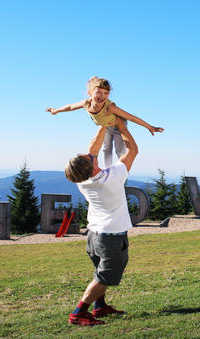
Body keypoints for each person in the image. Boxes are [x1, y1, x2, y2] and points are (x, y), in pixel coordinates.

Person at [65, 117, 137, 326]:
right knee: (104, 276)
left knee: (100, 271)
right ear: (91, 164)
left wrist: (103, 121)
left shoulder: (83, 181)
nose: (91, 154)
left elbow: (92, 150)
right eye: (88, 157)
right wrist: (121, 125)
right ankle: (78, 313)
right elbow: (132, 151)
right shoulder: (111, 178)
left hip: (93, 236)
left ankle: (100, 307)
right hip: (110, 237)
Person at [46, 76, 164, 167]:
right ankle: (107, 169)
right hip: (106, 126)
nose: (102, 96)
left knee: (120, 150)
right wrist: (56, 111)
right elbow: (71, 106)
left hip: (118, 126)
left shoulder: (109, 108)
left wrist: (149, 126)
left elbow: (130, 117)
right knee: (106, 148)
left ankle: (121, 170)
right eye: (98, 92)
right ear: (90, 93)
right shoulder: (86, 104)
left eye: (106, 93)